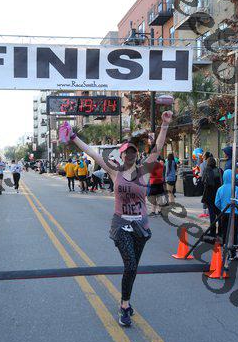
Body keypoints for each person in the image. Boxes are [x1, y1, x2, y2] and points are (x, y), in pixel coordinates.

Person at [67, 110, 172, 327]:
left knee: (132, 269)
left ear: (136, 155)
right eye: (126, 152)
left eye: (133, 152)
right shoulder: (115, 171)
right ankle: (124, 306)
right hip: (121, 224)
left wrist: (165, 124)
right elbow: (92, 153)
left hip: (141, 225)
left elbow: (158, 147)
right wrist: (74, 137)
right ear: (122, 155)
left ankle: (127, 300)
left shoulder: (144, 171)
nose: (130, 155)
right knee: (130, 264)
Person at [214, 168, 238, 257]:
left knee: (225, 232)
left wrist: (222, 208)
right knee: (234, 232)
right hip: (235, 213)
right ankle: (233, 252)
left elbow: (216, 202)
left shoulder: (220, 189)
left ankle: (225, 250)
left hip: (224, 213)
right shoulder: (236, 189)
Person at [201, 156, 222, 237]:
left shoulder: (207, 170)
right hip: (218, 194)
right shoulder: (219, 170)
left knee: (212, 214)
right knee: (219, 213)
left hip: (209, 195)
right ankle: (220, 231)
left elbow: (203, 181)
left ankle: (212, 231)